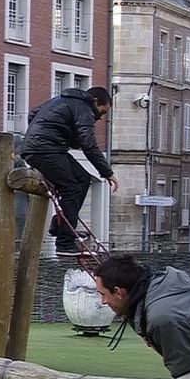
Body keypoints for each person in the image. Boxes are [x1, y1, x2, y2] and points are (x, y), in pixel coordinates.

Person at [21, 86, 119, 257]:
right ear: (95, 101)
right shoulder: (85, 109)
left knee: (82, 178)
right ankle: (65, 243)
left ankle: (60, 226)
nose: (99, 118)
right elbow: (88, 144)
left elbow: (33, 113)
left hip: (46, 147)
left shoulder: (60, 101)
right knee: (71, 188)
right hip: (45, 150)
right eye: (101, 112)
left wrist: (47, 133)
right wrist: (107, 172)